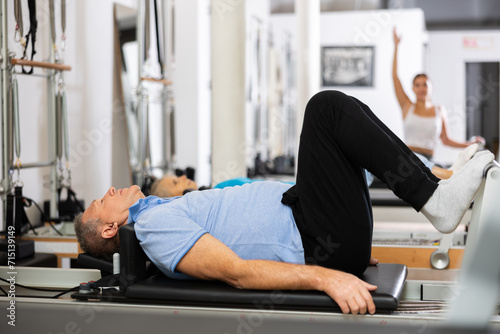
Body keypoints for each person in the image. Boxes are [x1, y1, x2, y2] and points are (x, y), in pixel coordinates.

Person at [74, 90, 494, 315]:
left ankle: (433, 186)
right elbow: (236, 273)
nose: (108, 190)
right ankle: (436, 201)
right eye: (100, 202)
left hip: (318, 224)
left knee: (346, 116)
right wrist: (328, 277)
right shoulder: (151, 229)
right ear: (111, 228)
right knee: (325, 109)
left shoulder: (161, 210)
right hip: (315, 235)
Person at [392, 27, 485, 179]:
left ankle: (441, 173)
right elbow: (395, 78)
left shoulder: (438, 110)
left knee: (425, 165)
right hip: (408, 159)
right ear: (413, 89)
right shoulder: (407, 105)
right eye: (417, 85)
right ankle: (446, 174)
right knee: (416, 160)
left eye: (425, 84)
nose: (421, 88)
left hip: (429, 159)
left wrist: (470, 144)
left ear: (431, 88)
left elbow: (445, 139)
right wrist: (396, 46)